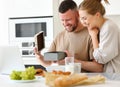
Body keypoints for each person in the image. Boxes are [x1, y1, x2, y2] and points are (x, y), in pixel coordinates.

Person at [34, 0, 103, 72]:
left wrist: (73, 61)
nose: (65, 23)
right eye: (62, 20)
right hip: (62, 81)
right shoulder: (59, 36)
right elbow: (49, 63)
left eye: (68, 19)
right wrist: (39, 57)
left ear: (78, 15)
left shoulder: (91, 34)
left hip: (81, 81)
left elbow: (98, 68)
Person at [78, 0, 120, 73]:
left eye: (84, 18)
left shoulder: (109, 28)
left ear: (97, 15)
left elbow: (100, 59)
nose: (83, 22)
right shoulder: (102, 27)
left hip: (114, 76)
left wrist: (93, 36)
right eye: (81, 18)